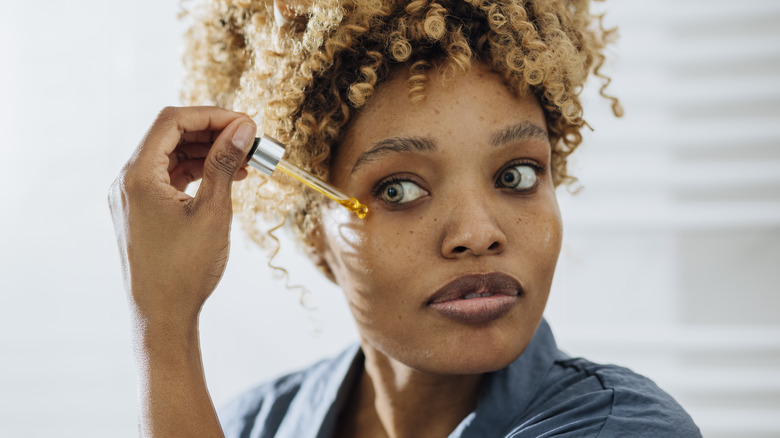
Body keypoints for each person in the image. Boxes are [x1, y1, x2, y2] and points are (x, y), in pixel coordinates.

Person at [109, 0, 701, 436]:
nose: (477, 234)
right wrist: (162, 327)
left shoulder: (619, 426)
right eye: (399, 188)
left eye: (516, 175)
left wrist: (164, 330)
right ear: (314, 232)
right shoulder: (250, 425)